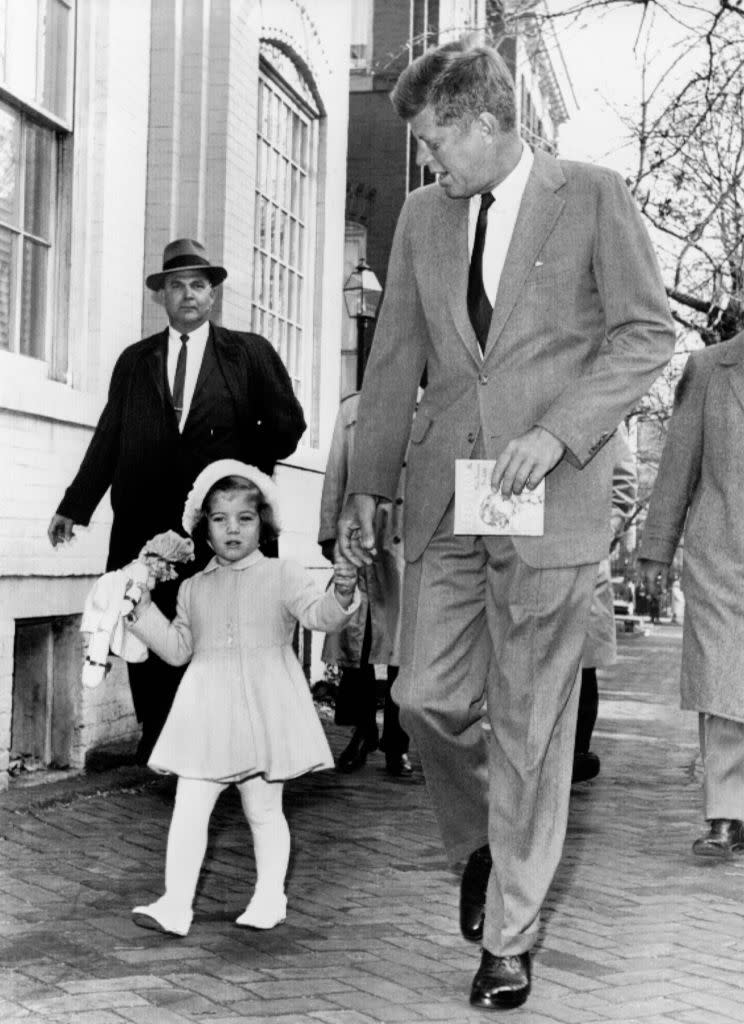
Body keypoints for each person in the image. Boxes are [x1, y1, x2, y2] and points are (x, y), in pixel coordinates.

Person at [337, 42, 674, 1010]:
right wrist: (369, 485)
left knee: (530, 726)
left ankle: (510, 937)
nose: (428, 158)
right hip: (450, 490)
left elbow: (645, 332)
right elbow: (396, 347)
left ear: (487, 121)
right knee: (424, 702)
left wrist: (561, 432)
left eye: (438, 137)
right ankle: (486, 842)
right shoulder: (422, 219)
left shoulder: (593, 195)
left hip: (546, 493)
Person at [47, 239, 306, 762]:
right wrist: (75, 506)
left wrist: (241, 476)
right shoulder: (135, 362)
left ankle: (223, 736)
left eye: (198, 285)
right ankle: (159, 735)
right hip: (144, 522)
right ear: (161, 296)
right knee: (145, 621)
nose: (187, 295)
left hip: (218, 525)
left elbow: (287, 427)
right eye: (176, 285)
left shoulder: (248, 354)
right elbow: (109, 436)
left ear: (213, 295)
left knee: (217, 627)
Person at [125, 460, 358, 936]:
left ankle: (270, 896)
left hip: (262, 712)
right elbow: (177, 650)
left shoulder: (282, 575)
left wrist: (345, 587)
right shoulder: (193, 588)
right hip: (206, 713)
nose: (233, 529)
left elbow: (321, 616)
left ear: (263, 525)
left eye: (245, 519)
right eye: (219, 519)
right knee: (189, 806)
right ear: (204, 530)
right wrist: (141, 610)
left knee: (263, 810)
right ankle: (175, 904)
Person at [638, 333, 744, 858]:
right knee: (722, 685)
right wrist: (656, 550)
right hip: (720, 554)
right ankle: (725, 814)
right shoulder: (708, 369)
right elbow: (677, 464)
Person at [318, 393, 412, 778]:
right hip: (359, 536)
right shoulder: (352, 410)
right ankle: (361, 732)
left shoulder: (434, 401)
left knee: (402, 649)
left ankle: (397, 743)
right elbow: (336, 471)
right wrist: (329, 534)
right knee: (357, 639)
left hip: (407, 541)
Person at [573, 425, 637, 784]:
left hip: (583, 549)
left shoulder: (604, 411)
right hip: (523, 548)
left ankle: (578, 751)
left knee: (583, 663)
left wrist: (607, 528)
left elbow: (624, 481)